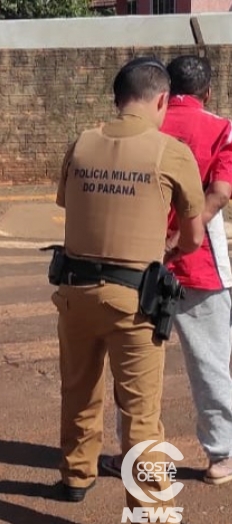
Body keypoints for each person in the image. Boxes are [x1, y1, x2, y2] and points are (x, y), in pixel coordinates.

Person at [52, 56, 205, 518]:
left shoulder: (81, 143)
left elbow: (67, 202)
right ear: (161, 100)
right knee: (140, 415)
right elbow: (195, 236)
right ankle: (149, 511)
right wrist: (167, 249)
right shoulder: (170, 150)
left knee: (78, 391)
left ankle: (76, 477)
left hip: (75, 292)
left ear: (117, 100)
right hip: (135, 301)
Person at [102, 55, 232, 486]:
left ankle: (133, 454)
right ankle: (222, 456)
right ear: (206, 92)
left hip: (137, 262)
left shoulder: (140, 123)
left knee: (134, 367)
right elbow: (220, 193)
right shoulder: (220, 128)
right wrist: (179, 240)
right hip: (200, 266)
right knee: (210, 364)